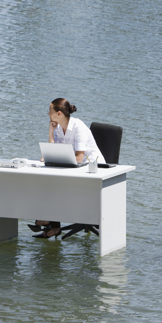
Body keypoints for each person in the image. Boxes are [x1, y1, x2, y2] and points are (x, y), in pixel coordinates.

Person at [29, 98, 105, 239]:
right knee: (47, 183)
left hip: (94, 171)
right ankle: (53, 224)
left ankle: (47, 220)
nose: (48, 114)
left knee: (55, 185)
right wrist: (51, 132)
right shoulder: (58, 128)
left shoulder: (78, 127)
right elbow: (49, 155)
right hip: (74, 170)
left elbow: (79, 158)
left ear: (59, 114)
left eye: (50, 111)